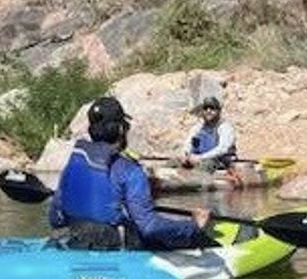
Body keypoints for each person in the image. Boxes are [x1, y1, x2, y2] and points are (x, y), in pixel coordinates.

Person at [49, 95, 211, 250]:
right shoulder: (130, 171)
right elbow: (149, 228)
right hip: (112, 247)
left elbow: (55, 218)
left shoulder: (74, 163)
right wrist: (193, 225)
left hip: (74, 239)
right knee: (186, 234)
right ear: (120, 129)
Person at [181, 95, 238, 172]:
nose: (208, 111)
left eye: (212, 108)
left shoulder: (225, 127)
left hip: (219, 162)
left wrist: (201, 157)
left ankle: (193, 183)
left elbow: (222, 149)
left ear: (218, 111)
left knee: (205, 166)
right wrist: (186, 154)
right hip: (199, 159)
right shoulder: (199, 126)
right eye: (206, 108)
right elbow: (188, 142)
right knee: (173, 162)